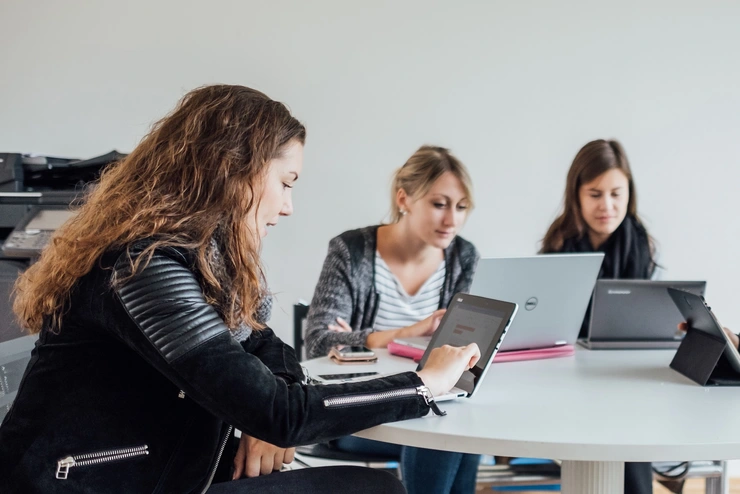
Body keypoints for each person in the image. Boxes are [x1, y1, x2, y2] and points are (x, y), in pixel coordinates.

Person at [0, 85, 480, 494]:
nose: (288, 206)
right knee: (375, 489)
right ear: (234, 170)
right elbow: (278, 412)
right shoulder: (141, 269)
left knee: (368, 486)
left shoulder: (194, 262)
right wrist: (424, 383)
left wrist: (268, 415)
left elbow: (268, 351)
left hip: (167, 470)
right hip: (96, 483)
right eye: (286, 182)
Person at [304, 145, 480, 494]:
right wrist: (406, 333)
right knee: (443, 435)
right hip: (361, 407)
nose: (452, 220)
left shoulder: (463, 257)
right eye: (439, 204)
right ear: (404, 198)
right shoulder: (352, 250)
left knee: (455, 431)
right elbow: (319, 341)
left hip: (432, 400)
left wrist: (360, 338)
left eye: (461, 208)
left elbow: (458, 349)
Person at [541, 138, 656, 494]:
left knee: (631, 432)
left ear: (629, 194)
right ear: (576, 195)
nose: (607, 205)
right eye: (595, 194)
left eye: (616, 194)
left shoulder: (639, 243)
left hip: (622, 379)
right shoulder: (558, 245)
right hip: (568, 380)